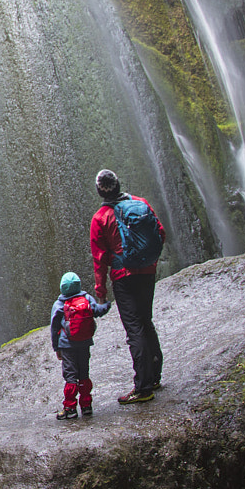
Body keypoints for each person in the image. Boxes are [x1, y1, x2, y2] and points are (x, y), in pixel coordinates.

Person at [90, 168, 165, 404]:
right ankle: (154, 376)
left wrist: (100, 293)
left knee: (134, 330)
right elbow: (160, 232)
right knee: (146, 321)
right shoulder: (140, 203)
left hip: (124, 276)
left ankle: (142, 388)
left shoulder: (100, 218)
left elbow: (100, 259)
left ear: (99, 191)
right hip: (148, 271)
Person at [49, 272, 110, 421]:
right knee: (84, 374)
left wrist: (56, 348)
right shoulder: (87, 299)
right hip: (84, 343)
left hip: (67, 346)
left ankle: (70, 408)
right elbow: (98, 311)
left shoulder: (59, 305)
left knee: (70, 376)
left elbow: (54, 328)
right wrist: (107, 303)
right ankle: (86, 406)